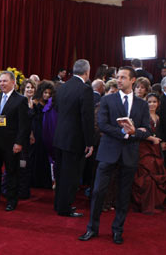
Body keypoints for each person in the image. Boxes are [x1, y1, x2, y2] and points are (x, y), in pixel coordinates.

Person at [79, 66, 151, 244]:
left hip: (130, 154)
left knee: (124, 194)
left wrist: (135, 132)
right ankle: (92, 228)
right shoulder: (107, 100)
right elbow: (102, 124)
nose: (119, 80)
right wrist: (125, 132)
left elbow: (146, 130)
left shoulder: (142, 104)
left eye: (123, 77)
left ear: (133, 80)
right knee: (97, 192)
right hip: (108, 152)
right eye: (118, 77)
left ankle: (118, 230)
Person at [0, 71, 30, 211]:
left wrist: (19, 143)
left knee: (12, 171)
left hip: (12, 143)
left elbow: (24, 125)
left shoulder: (21, 100)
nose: (2, 83)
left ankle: (11, 200)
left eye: (5, 81)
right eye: (1, 81)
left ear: (13, 83)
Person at [53, 59, 94, 217]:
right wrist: (89, 142)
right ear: (87, 72)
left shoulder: (63, 87)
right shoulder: (85, 89)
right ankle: (65, 208)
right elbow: (87, 118)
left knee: (61, 174)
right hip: (75, 140)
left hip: (60, 137)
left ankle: (59, 205)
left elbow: (56, 108)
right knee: (71, 176)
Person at [131, 93, 165, 214]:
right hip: (144, 149)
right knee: (146, 176)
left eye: (154, 102)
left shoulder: (159, 117)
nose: (152, 104)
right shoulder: (142, 116)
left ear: (158, 104)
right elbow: (138, 132)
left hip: (156, 150)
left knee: (157, 173)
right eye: (149, 102)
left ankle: (156, 203)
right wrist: (151, 139)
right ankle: (144, 204)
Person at [29, 80, 54, 189]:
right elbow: (30, 120)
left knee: (45, 156)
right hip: (36, 132)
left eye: (49, 93)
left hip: (46, 132)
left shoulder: (50, 104)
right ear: (41, 92)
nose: (47, 95)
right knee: (35, 156)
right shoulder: (34, 103)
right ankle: (33, 181)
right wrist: (31, 134)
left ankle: (44, 181)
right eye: (45, 93)